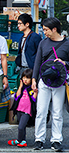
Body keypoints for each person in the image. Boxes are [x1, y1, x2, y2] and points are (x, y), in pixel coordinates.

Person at [32, 17, 69, 152]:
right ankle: (39, 139)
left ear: (54, 29)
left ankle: (56, 140)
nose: (44, 32)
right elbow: (37, 62)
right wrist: (34, 79)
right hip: (44, 81)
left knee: (58, 112)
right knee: (41, 111)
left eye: (46, 29)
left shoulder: (67, 43)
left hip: (59, 82)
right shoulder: (43, 43)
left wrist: (65, 63)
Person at [8, 68, 37, 148]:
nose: (25, 80)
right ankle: (21, 140)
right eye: (24, 78)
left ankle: (20, 140)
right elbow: (17, 97)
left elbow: (34, 99)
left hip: (27, 111)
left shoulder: (31, 89)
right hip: (19, 110)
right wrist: (20, 87)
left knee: (21, 126)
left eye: (27, 78)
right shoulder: (22, 87)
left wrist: (35, 92)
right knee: (22, 127)